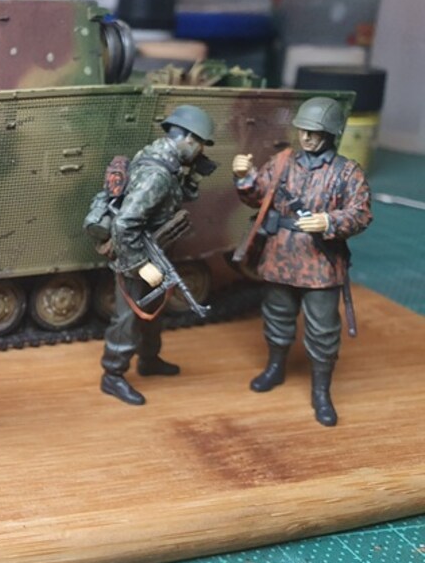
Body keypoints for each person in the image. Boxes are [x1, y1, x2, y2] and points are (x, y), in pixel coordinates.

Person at [232, 96, 372, 426]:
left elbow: (361, 213)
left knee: (323, 330)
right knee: (277, 317)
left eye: (314, 132)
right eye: (303, 130)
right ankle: (275, 367)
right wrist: (244, 177)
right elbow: (258, 196)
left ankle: (321, 391)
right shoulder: (282, 162)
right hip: (280, 256)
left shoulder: (346, 172)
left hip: (320, 264)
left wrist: (330, 221)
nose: (306, 137)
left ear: (330, 133)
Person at [100, 104, 217, 406]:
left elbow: (173, 200)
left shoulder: (167, 161)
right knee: (128, 317)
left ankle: (149, 358)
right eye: (201, 143)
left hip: (154, 249)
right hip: (135, 254)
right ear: (189, 138)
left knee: (153, 308)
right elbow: (125, 223)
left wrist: (193, 176)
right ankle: (113, 374)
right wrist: (140, 265)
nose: (202, 149)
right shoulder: (158, 173)